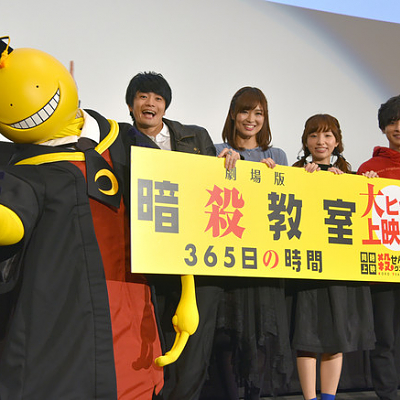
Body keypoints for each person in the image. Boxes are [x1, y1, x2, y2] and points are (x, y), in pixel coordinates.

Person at [125, 71, 227, 400]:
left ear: (165, 106)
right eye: (142, 96)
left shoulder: (196, 137)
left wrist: (231, 163)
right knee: (152, 337)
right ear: (131, 105)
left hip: (197, 256)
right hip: (147, 256)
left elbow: (216, 186)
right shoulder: (119, 141)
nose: (150, 103)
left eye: (157, 98)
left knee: (194, 342)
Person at [213, 86, 292, 400]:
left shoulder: (278, 156)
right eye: (245, 111)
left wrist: (274, 178)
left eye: (258, 113)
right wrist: (218, 165)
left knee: (261, 334)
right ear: (233, 114)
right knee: (226, 335)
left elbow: (287, 204)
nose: (251, 119)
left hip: (264, 261)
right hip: (226, 258)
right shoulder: (215, 150)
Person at [291, 114, 375, 400]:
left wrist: (367, 184)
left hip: (339, 268)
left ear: (337, 142)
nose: (321, 141)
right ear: (306, 141)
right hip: (307, 267)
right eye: (314, 135)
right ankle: (309, 398)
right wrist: (304, 180)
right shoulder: (294, 173)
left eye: (327, 135)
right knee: (306, 336)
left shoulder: (350, 177)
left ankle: (328, 397)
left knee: (335, 337)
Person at [357, 95, 400, 400]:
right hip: (383, 269)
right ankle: (387, 394)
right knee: (383, 337)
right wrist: (364, 186)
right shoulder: (369, 168)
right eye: (392, 122)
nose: (398, 127)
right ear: (384, 128)